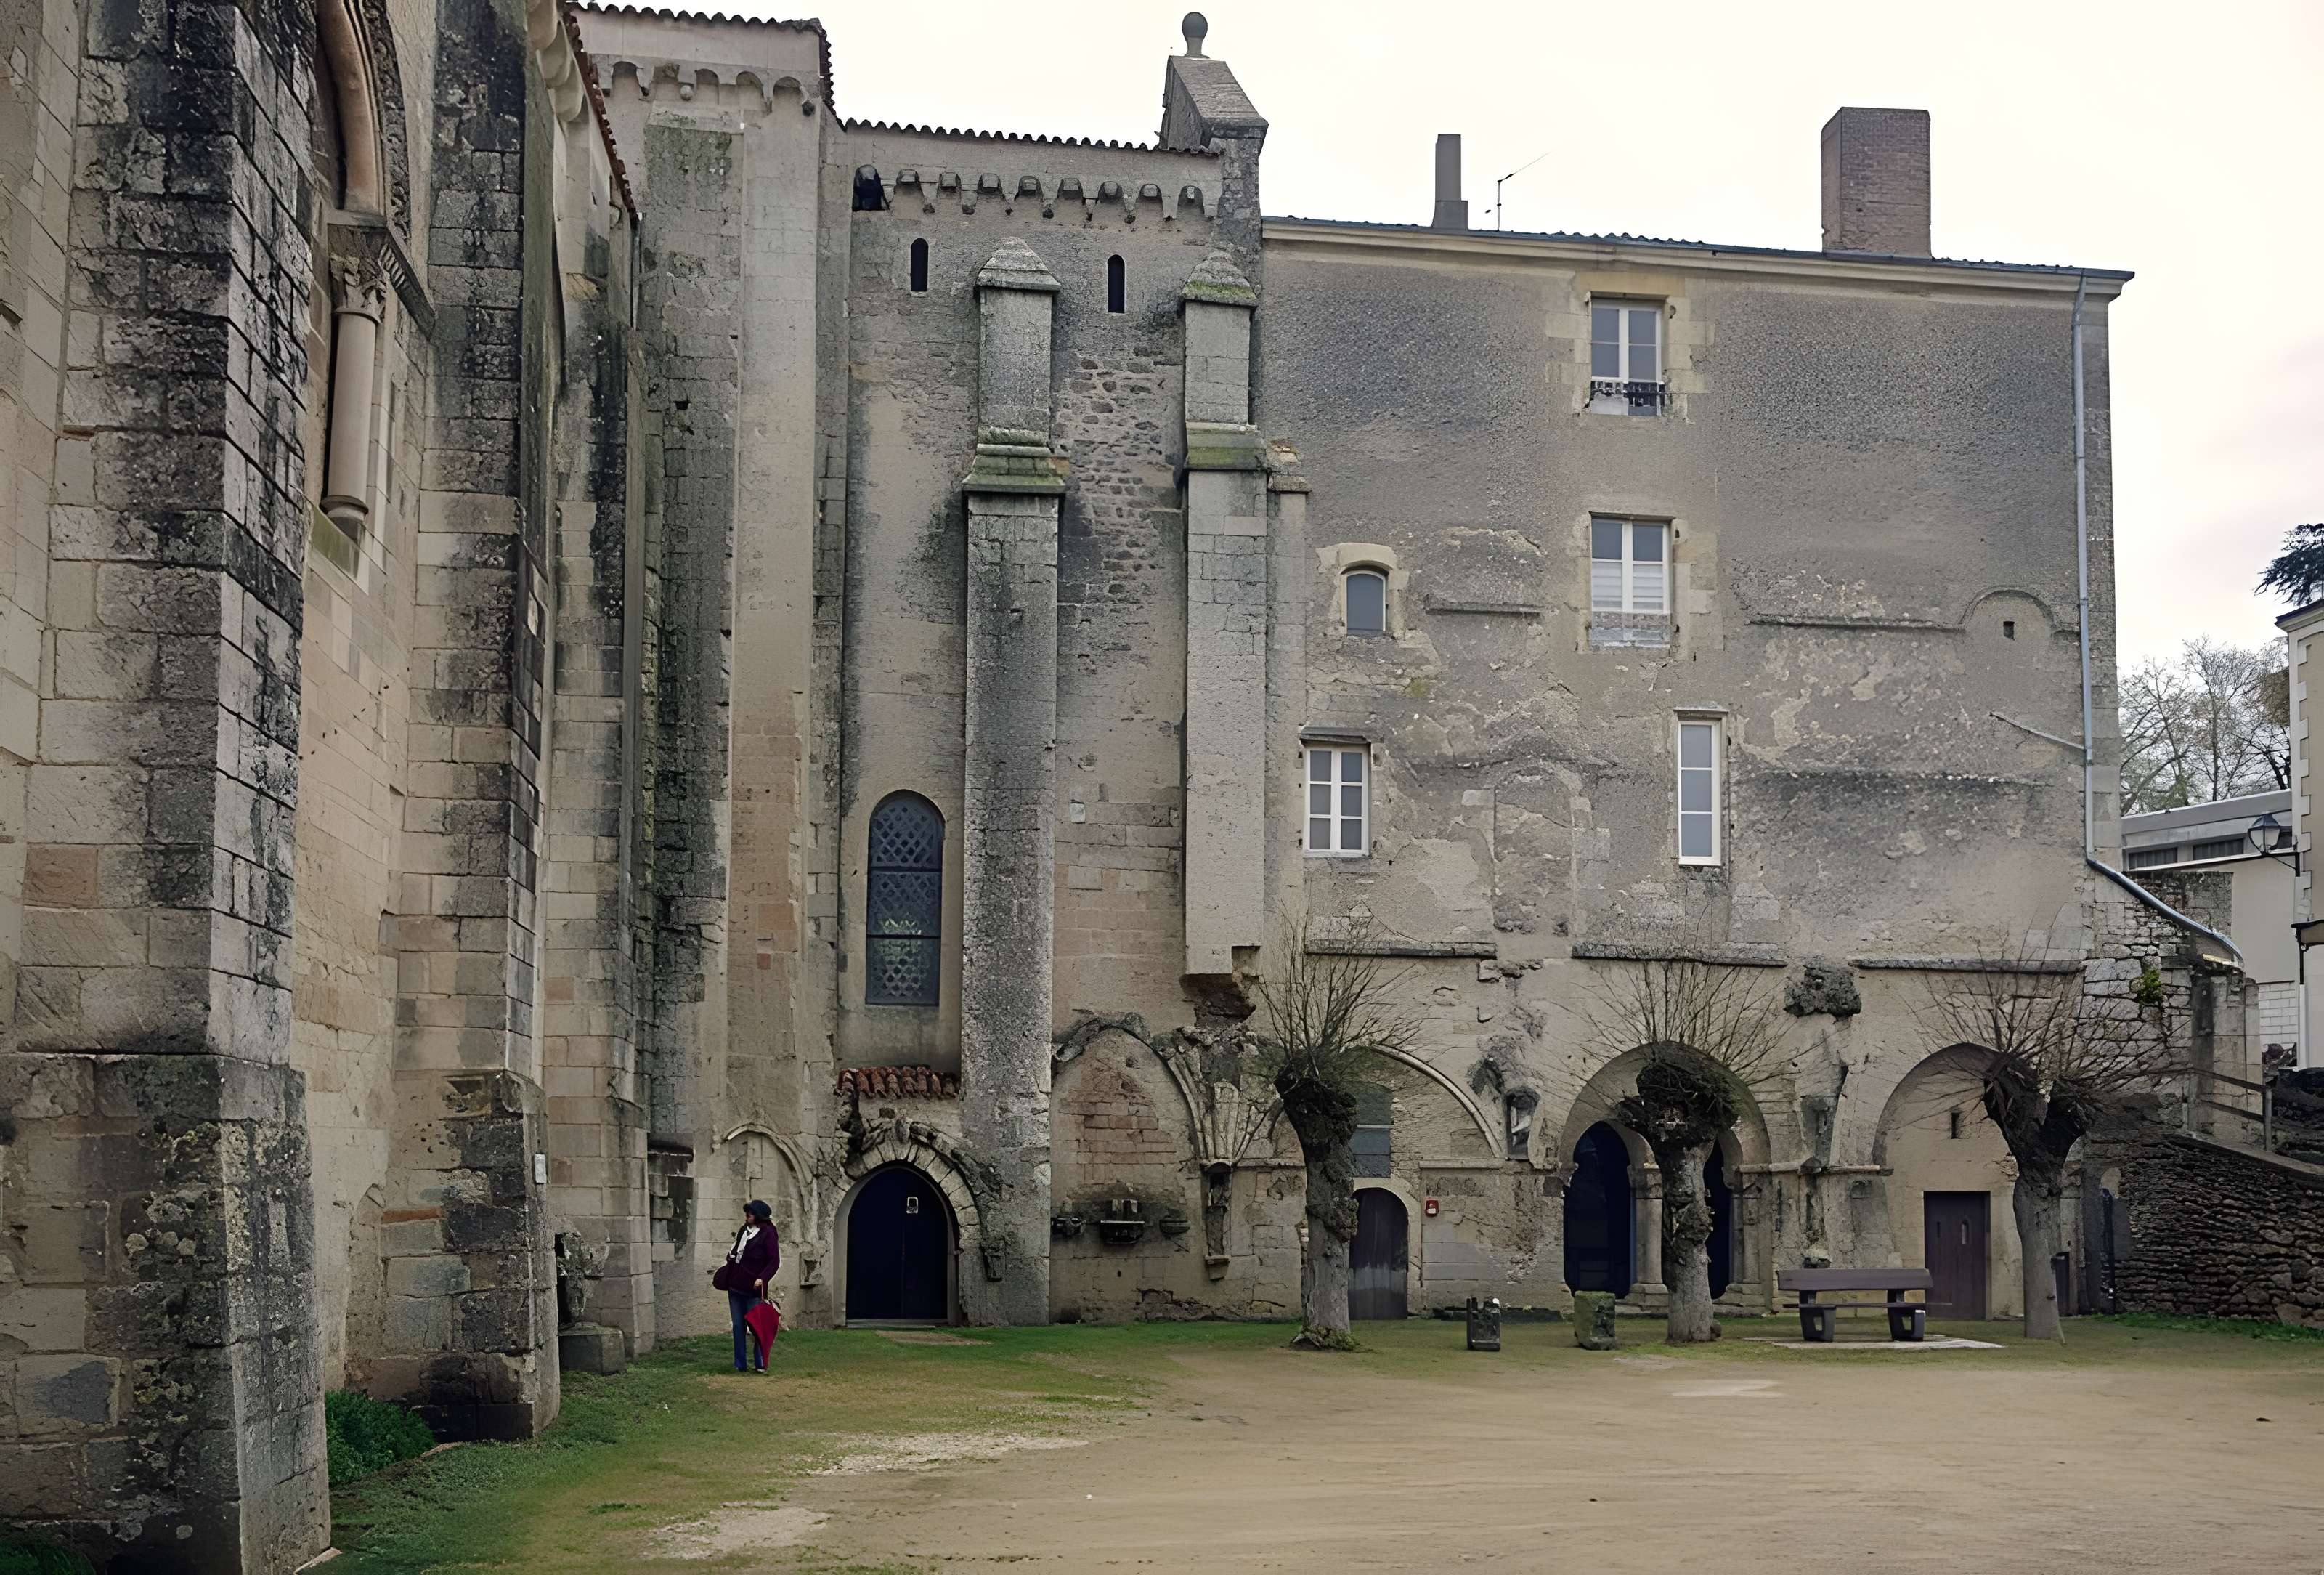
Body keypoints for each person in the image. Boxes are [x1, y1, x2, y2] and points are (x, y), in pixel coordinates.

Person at [713, 1200, 779, 1372]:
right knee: (737, 1326)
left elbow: (774, 1261)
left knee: (756, 1326)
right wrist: (731, 1257)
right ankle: (740, 1364)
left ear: (758, 1216)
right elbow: (736, 1249)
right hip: (735, 1286)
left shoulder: (769, 1233)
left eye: (750, 1214)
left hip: (753, 1289)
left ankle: (760, 1363)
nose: (747, 1217)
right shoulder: (744, 1230)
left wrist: (762, 1278)